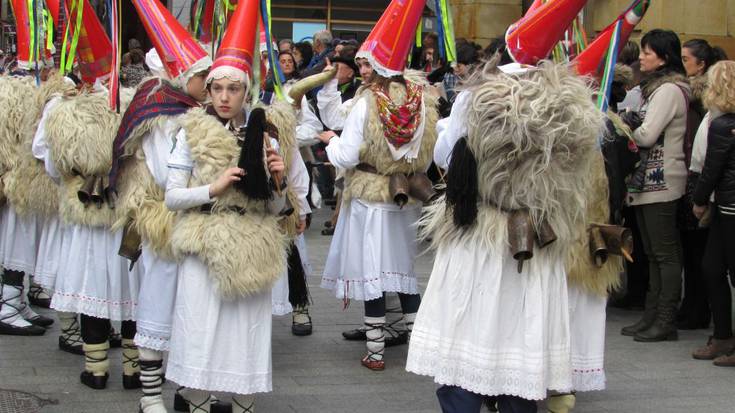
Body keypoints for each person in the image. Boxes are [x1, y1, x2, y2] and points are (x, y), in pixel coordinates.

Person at [406, 59, 603, 413]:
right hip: (538, 234)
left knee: (467, 328)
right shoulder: (573, 109)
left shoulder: (477, 99)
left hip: (481, 233)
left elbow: (445, 155)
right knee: (522, 337)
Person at [162, 1, 291, 411]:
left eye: (232, 89)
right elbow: (171, 197)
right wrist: (212, 189)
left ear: (245, 91)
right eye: (216, 88)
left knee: (245, 342)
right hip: (204, 244)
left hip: (252, 247)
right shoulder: (190, 132)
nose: (223, 97)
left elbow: (277, 208)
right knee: (199, 337)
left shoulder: (264, 134)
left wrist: (279, 180)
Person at [319, 0, 438, 371]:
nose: (362, 70)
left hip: (371, 198)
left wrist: (329, 142)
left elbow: (347, 155)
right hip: (404, 198)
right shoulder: (422, 101)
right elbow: (430, 154)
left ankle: (375, 352)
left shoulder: (368, 102)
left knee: (374, 274)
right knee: (403, 273)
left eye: (367, 63)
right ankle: (420, 351)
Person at [109, 1, 213, 411]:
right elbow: (160, 170)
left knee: (193, 312)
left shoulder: (197, 111)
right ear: (183, 75)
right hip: (165, 225)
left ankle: (186, 390)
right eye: (203, 76)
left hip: (198, 224)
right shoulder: (161, 114)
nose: (208, 82)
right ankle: (150, 397)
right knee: (156, 309)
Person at [43, 1, 141, 390]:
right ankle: (134, 370)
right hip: (124, 216)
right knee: (132, 291)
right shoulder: (134, 105)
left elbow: (51, 166)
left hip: (87, 217)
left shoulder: (62, 113)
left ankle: (96, 369)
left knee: (92, 292)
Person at [620, 29, 690, 343]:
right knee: (651, 252)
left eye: (648, 52)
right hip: (648, 181)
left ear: (663, 56)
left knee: (664, 253)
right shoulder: (654, 89)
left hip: (662, 180)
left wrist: (624, 125)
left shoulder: (668, 90)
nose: (642, 57)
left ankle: (665, 318)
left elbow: (647, 135)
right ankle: (651, 314)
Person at [677, 39, 726, 330]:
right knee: (698, 256)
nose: (683, 65)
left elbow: (711, 158)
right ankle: (696, 308)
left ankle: (703, 313)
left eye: (686, 59)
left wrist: (700, 196)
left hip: (709, 186)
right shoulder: (701, 104)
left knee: (704, 258)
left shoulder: (708, 106)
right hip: (698, 179)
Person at [691, 60, 735, 367]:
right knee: (712, 267)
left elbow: (712, 169)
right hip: (726, 205)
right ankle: (722, 336)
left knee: (718, 270)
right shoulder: (723, 123)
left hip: (729, 206)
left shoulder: (722, 125)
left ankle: (725, 338)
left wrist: (698, 199)